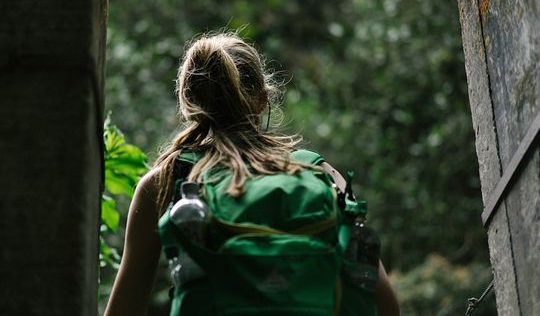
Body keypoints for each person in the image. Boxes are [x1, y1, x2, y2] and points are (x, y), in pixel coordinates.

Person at [104, 32, 400, 316]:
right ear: (262, 99)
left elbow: (123, 311)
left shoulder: (167, 179)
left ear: (187, 104)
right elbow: (385, 303)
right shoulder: (318, 171)